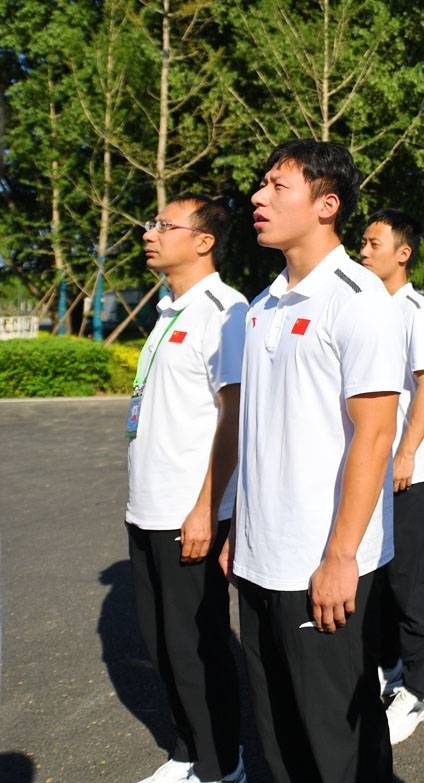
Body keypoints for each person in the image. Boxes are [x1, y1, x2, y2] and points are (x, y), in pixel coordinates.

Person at [226, 140, 402, 782]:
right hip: (261, 559)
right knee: (278, 737)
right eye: (262, 184)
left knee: (338, 745)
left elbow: (374, 436)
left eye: (278, 186)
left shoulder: (358, 299)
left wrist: (340, 557)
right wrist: (239, 529)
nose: (259, 197)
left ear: (326, 205)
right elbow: (259, 431)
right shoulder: (261, 306)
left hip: (322, 562)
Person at [127, 195, 247, 783]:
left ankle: (223, 764)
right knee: (160, 641)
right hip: (146, 507)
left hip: (188, 512)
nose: (149, 233)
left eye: (163, 225)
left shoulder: (224, 311)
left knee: (197, 644)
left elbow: (234, 415)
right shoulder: (168, 309)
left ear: (203, 241)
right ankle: (187, 750)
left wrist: (207, 508)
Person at [359, 209, 424, 744]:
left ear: (403, 253)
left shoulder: (419, 314)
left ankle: (420, 689)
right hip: (366, 467)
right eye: (363, 243)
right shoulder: (361, 309)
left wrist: (407, 453)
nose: (363, 251)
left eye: (374, 244)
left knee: (408, 580)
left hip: (403, 469)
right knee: (374, 574)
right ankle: (389, 668)